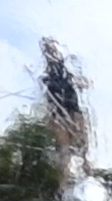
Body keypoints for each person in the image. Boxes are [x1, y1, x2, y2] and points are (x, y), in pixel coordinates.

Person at [39, 37, 90, 177]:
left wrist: (80, 81)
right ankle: (64, 183)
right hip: (59, 113)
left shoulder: (67, 71)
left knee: (81, 146)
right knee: (65, 150)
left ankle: (87, 174)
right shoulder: (46, 76)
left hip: (72, 109)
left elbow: (85, 82)